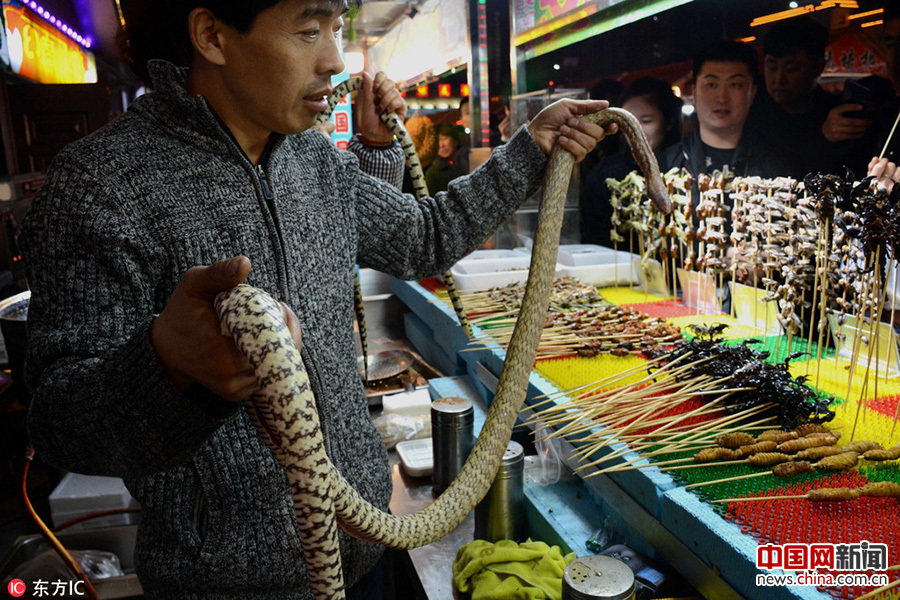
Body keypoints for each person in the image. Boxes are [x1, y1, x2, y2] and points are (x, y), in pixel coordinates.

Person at [20, 1, 614, 598]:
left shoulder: (313, 159)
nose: (334, 60)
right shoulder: (101, 184)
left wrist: (531, 148)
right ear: (212, 35)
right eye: (308, 31)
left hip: (368, 545)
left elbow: (422, 237)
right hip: (228, 588)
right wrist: (167, 366)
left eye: (335, 29)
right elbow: (59, 422)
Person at [750, 17, 875, 179]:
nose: (779, 79)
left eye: (791, 69)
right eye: (772, 67)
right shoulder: (754, 112)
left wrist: (826, 140)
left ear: (818, 67)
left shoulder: (837, 117)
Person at [659, 40, 780, 193]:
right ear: (694, 92)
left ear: (752, 94)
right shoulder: (666, 165)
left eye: (734, 85)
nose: (722, 98)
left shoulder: (777, 166)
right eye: (711, 84)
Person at [580, 77, 683, 246]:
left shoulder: (685, 168)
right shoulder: (604, 176)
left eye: (646, 121)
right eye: (628, 122)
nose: (636, 130)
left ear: (669, 123)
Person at [425, 123, 463, 194]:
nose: (441, 145)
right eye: (437, 141)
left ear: (455, 141)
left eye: (444, 138)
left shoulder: (466, 163)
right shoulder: (433, 173)